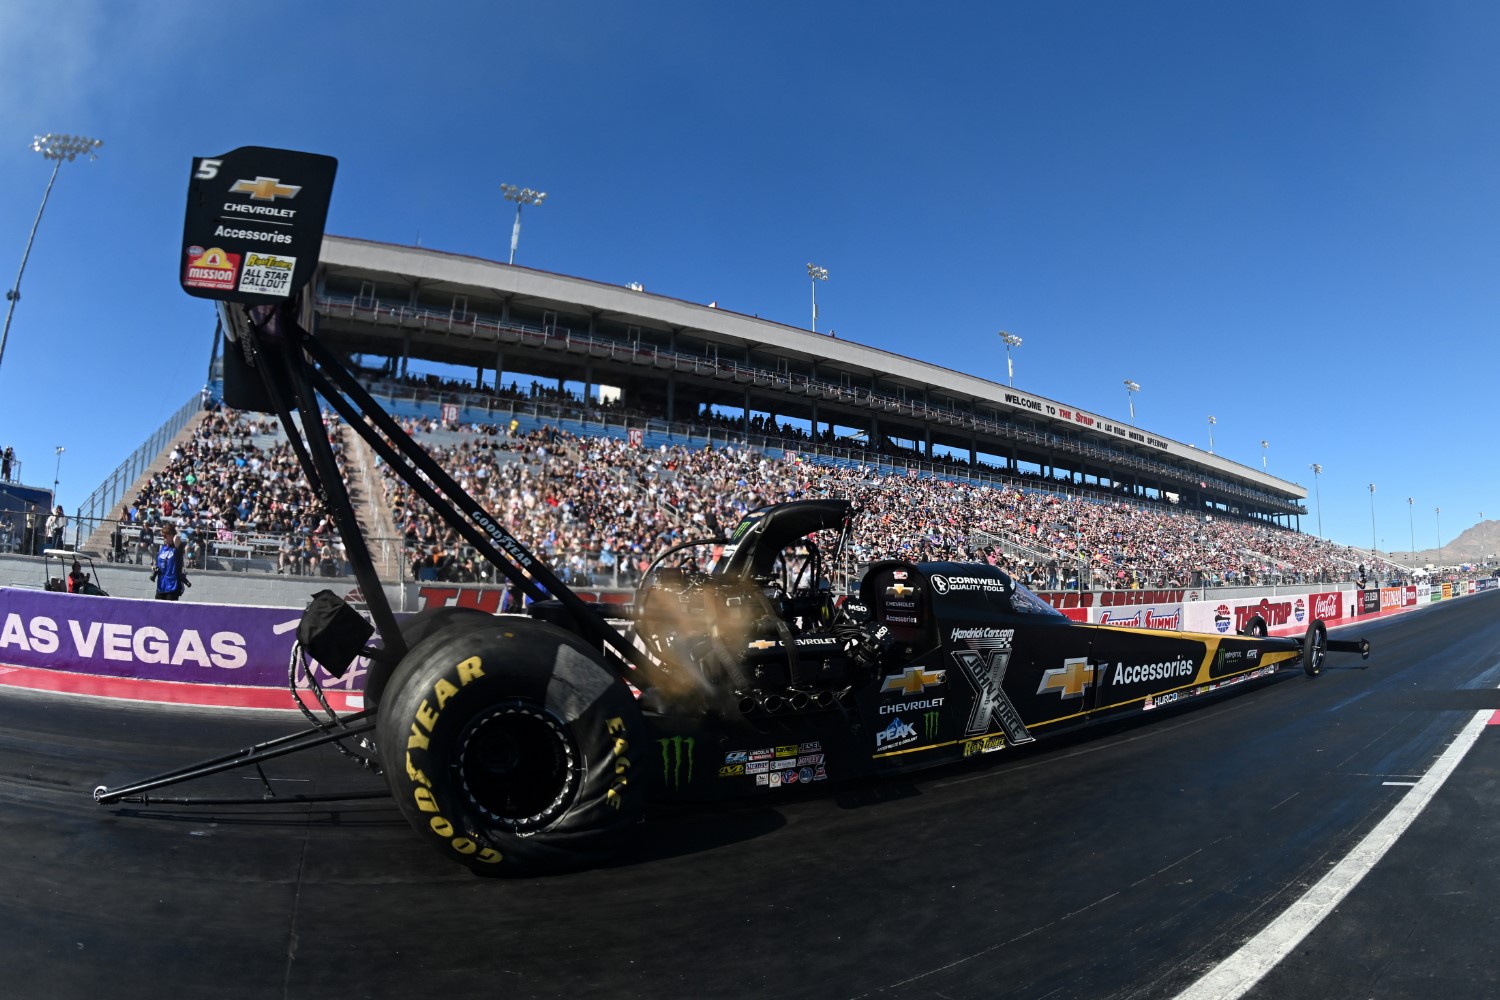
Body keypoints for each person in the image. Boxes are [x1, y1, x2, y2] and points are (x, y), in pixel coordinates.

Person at [151, 522, 189, 601]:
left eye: (166, 536)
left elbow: (177, 538)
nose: (164, 538)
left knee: (169, 610)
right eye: (163, 536)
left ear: (171, 536)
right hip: (161, 584)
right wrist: (155, 567)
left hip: (172, 585)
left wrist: (174, 536)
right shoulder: (163, 548)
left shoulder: (177, 547)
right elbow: (160, 563)